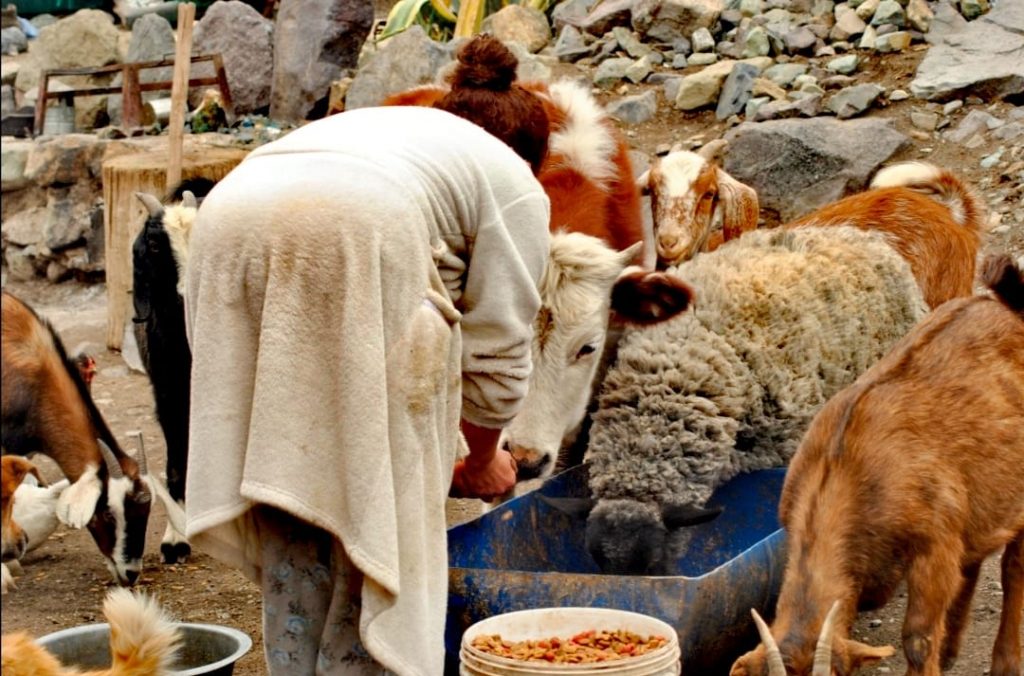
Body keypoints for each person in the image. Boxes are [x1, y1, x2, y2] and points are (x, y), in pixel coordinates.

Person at [183, 36, 552, 675]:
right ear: (532, 155)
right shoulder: (515, 180)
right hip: (356, 224)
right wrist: (483, 458)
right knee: (382, 496)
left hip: (228, 217)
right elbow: (500, 345)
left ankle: (297, 661)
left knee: (288, 475)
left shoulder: (396, 130)